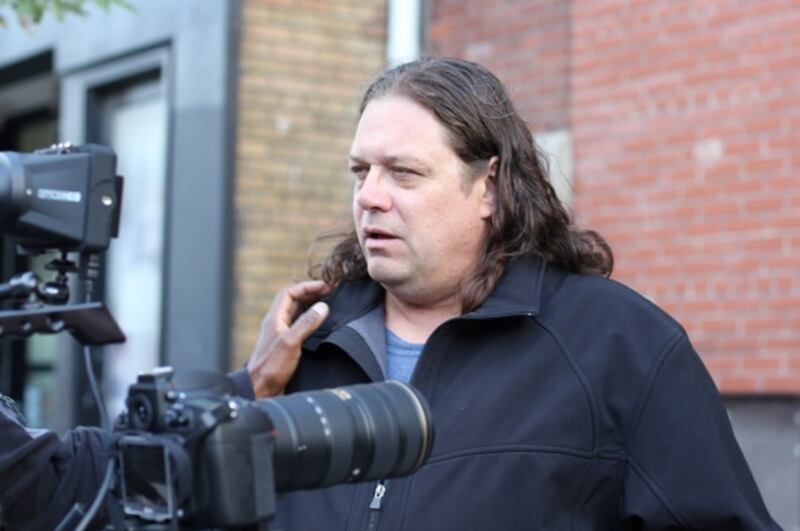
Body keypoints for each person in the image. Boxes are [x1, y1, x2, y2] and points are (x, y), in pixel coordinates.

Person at [235, 57, 781, 530]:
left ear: (490, 188)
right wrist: (245, 398)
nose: (369, 196)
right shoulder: (304, 346)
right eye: (361, 171)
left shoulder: (621, 346)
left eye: (403, 173)